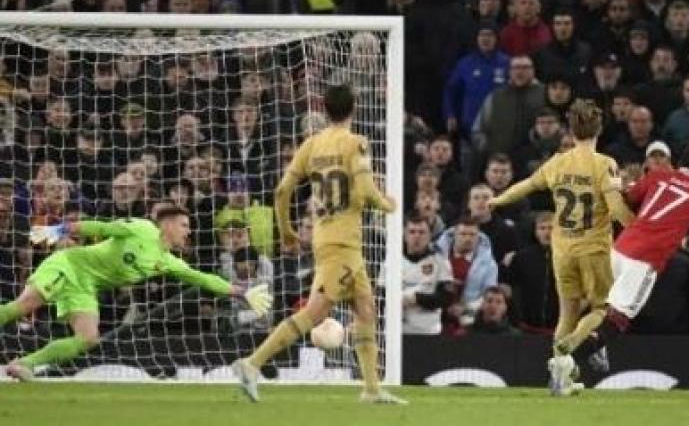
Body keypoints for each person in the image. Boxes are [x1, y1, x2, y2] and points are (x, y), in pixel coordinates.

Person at [233, 84, 406, 404]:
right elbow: (367, 188)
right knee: (315, 312)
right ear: (353, 108)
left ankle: (371, 389)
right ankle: (251, 364)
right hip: (341, 242)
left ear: (324, 109)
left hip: (330, 238)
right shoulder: (357, 143)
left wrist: (285, 231)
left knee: (365, 310)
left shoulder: (311, 144)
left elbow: (282, 191)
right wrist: (386, 204)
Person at [0, 206, 272, 381]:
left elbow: (204, 279)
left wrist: (241, 292)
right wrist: (60, 229)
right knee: (25, 305)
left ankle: (25, 364)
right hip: (69, 264)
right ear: (167, 225)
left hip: (85, 286)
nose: (188, 232)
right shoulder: (142, 228)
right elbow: (102, 227)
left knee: (88, 338)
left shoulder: (168, 261)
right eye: (184, 225)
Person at [487, 100, 634, 396]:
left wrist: (497, 200)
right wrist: (639, 228)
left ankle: (559, 379)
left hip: (562, 249)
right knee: (603, 308)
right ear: (599, 129)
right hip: (593, 247)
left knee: (567, 312)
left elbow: (527, 185)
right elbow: (617, 210)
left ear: (570, 128)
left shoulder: (558, 161)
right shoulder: (604, 164)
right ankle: (569, 348)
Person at [566, 139, 689, 379]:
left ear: (680, 160)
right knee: (620, 318)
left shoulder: (658, 176)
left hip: (621, 246)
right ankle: (568, 361)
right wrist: (684, 244)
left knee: (601, 305)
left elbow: (628, 198)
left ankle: (594, 347)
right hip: (645, 259)